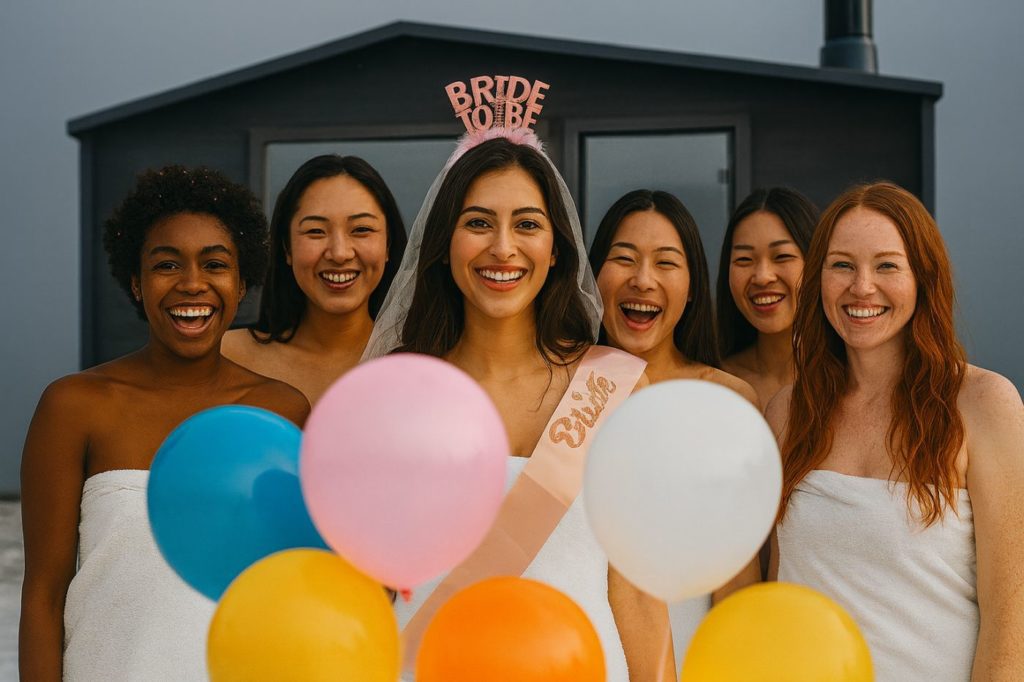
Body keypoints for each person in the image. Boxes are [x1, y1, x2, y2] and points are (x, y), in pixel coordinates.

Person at [366, 128, 669, 680]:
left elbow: (642, 598)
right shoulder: (392, 390)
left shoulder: (617, 388)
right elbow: (368, 591)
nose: (502, 248)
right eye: (478, 222)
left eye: (527, 224)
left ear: (556, 250)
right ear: (445, 242)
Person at [19, 166, 309, 681]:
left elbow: (291, 588)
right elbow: (43, 595)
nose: (192, 283)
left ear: (242, 284)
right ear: (136, 281)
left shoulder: (282, 412)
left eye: (215, 264)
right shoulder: (75, 406)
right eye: (167, 264)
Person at [766, 182, 1023, 680]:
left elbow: (1011, 619)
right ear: (818, 278)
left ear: (923, 278)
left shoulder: (984, 405)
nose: (862, 287)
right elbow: (781, 585)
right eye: (842, 265)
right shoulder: (789, 411)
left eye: (887, 265)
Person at [589, 189, 759, 674]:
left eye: (666, 263)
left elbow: (735, 577)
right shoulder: (565, 388)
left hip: (691, 658)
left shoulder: (727, 400)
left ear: (691, 288)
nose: (642, 280)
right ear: (592, 276)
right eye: (623, 259)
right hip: (577, 648)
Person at [222, 155, 406, 405]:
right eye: (315, 231)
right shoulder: (227, 355)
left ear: (388, 246)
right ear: (287, 248)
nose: (339, 253)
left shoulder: (419, 363)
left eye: (361, 229)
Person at [716, 188, 818, 408]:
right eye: (744, 259)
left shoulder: (851, 381)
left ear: (816, 263)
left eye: (782, 256)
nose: (762, 277)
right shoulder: (711, 384)